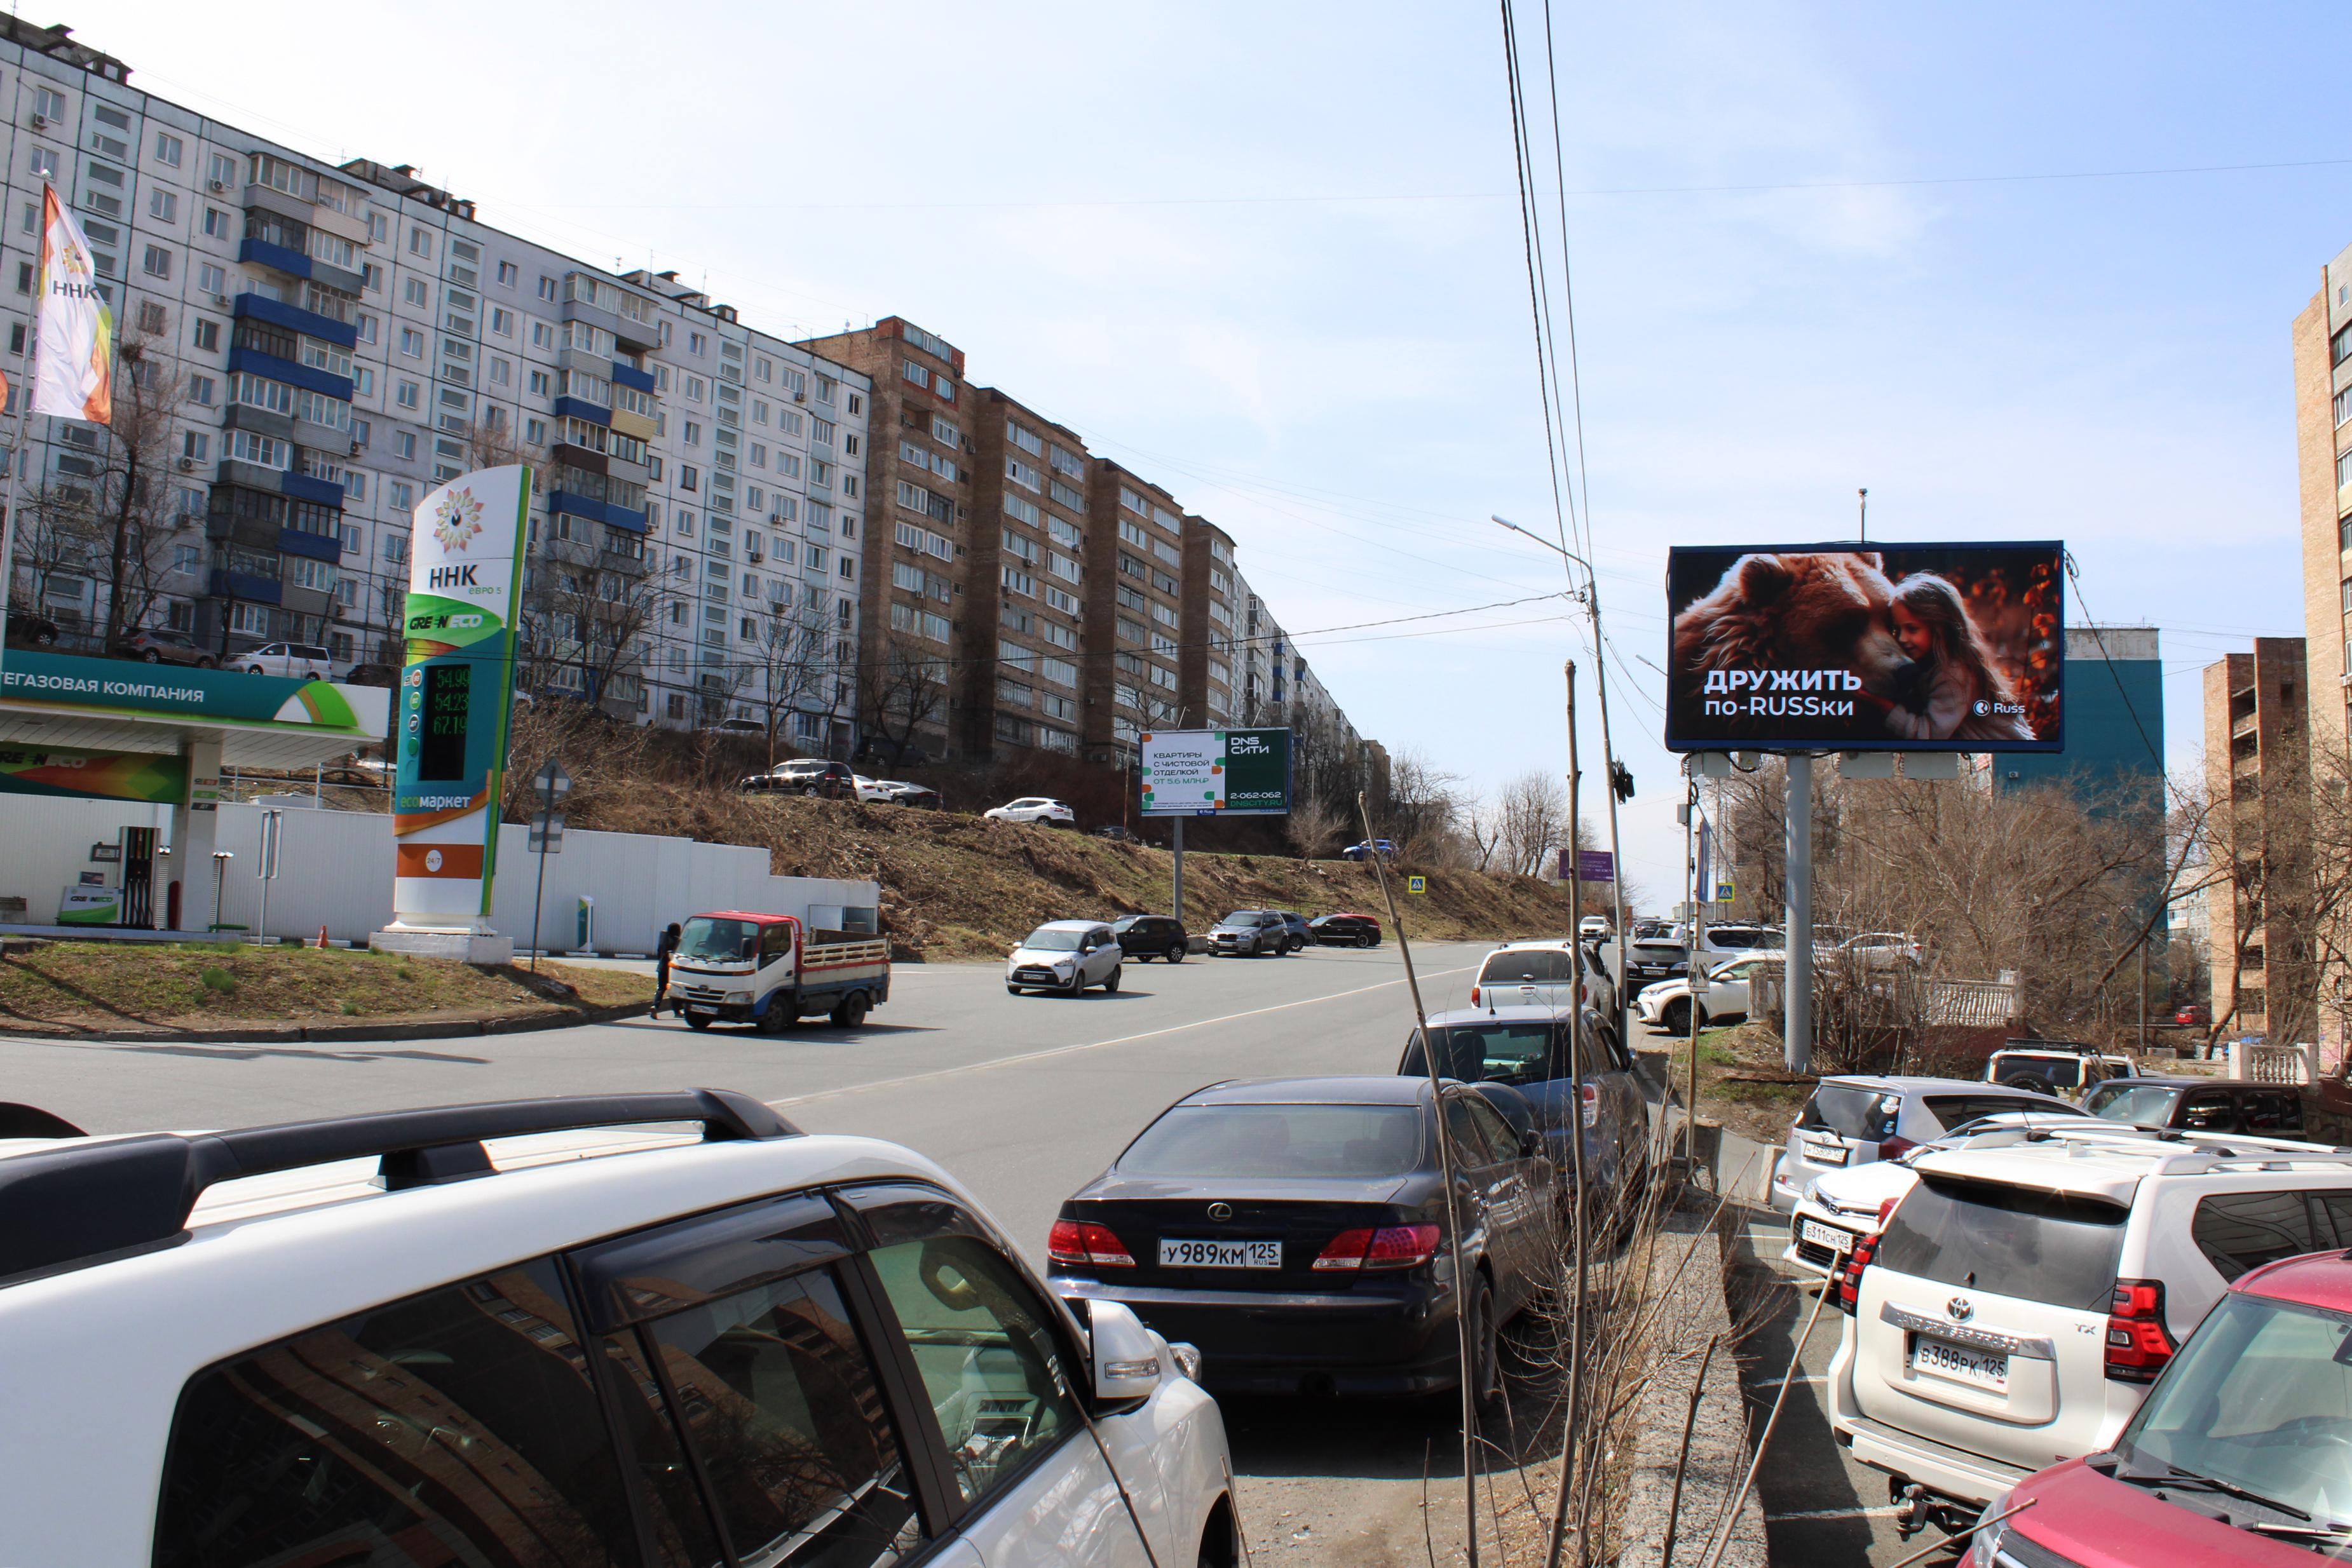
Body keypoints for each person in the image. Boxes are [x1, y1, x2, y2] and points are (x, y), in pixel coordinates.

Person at [1858, 572, 2035, 743]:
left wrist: (1886, 707)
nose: (1902, 639)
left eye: (1912, 629)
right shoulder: (1936, 663)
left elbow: (1928, 736)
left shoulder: (1954, 674)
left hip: (2009, 756)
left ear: (1940, 628)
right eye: (1897, 630)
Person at [653, 921, 682, 1017]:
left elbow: (659, 953)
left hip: (662, 967)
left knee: (661, 988)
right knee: (674, 989)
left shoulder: (664, 940)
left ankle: (655, 1006)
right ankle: (677, 1011)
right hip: (672, 969)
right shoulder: (677, 941)